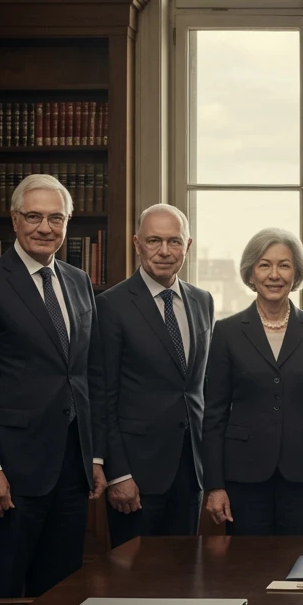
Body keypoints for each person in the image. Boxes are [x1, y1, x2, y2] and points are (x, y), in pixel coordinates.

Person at [0, 174, 105, 605]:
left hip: (69, 468)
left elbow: (85, 377)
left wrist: (93, 456)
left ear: (68, 223)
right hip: (11, 471)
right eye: (33, 216)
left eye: (55, 217)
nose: (44, 226)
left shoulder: (79, 282)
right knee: (1, 592)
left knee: (58, 594)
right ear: (14, 220)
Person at [201, 229, 303, 534]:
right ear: (251, 273)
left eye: (284, 265)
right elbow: (213, 415)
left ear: (297, 273)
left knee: (301, 568)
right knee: (248, 571)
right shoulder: (226, 331)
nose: (274, 275)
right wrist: (214, 486)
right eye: (264, 265)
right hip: (243, 476)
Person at [89, 204, 214, 548]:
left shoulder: (203, 301)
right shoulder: (111, 306)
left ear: (188, 246)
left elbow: (200, 387)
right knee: (134, 584)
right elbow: (103, 396)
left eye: (174, 241)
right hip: (136, 474)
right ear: (137, 244)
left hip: (191, 471)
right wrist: (118, 473)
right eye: (154, 240)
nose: (164, 251)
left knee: (185, 578)